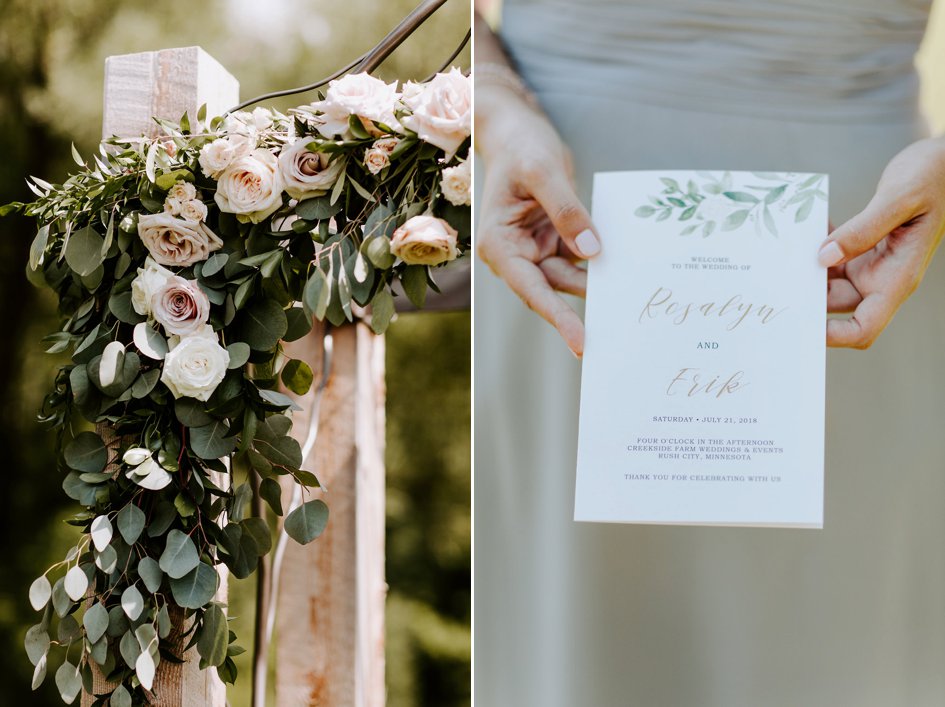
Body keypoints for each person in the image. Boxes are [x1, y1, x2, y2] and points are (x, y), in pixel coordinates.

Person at [474, 1, 945, 705]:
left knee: (843, 638)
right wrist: (495, 109)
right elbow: (438, 20)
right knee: (585, 643)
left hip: (867, 247)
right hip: (566, 237)